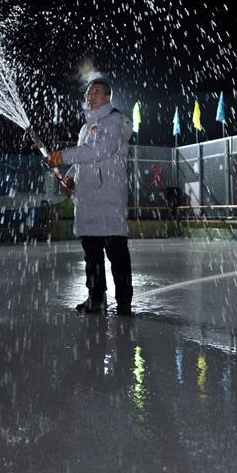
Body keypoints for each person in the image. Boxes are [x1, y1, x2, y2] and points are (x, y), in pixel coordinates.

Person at [46, 78, 133, 315]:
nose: (90, 96)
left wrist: (62, 156)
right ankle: (96, 298)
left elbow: (99, 150)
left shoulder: (115, 121)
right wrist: (71, 177)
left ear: (107, 97)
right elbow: (85, 157)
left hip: (109, 199)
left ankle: (124, 301)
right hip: (87, 201)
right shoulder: (86, 128)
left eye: (95, 92)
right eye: (88, 92)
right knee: (92, 256)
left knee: (117, 254)